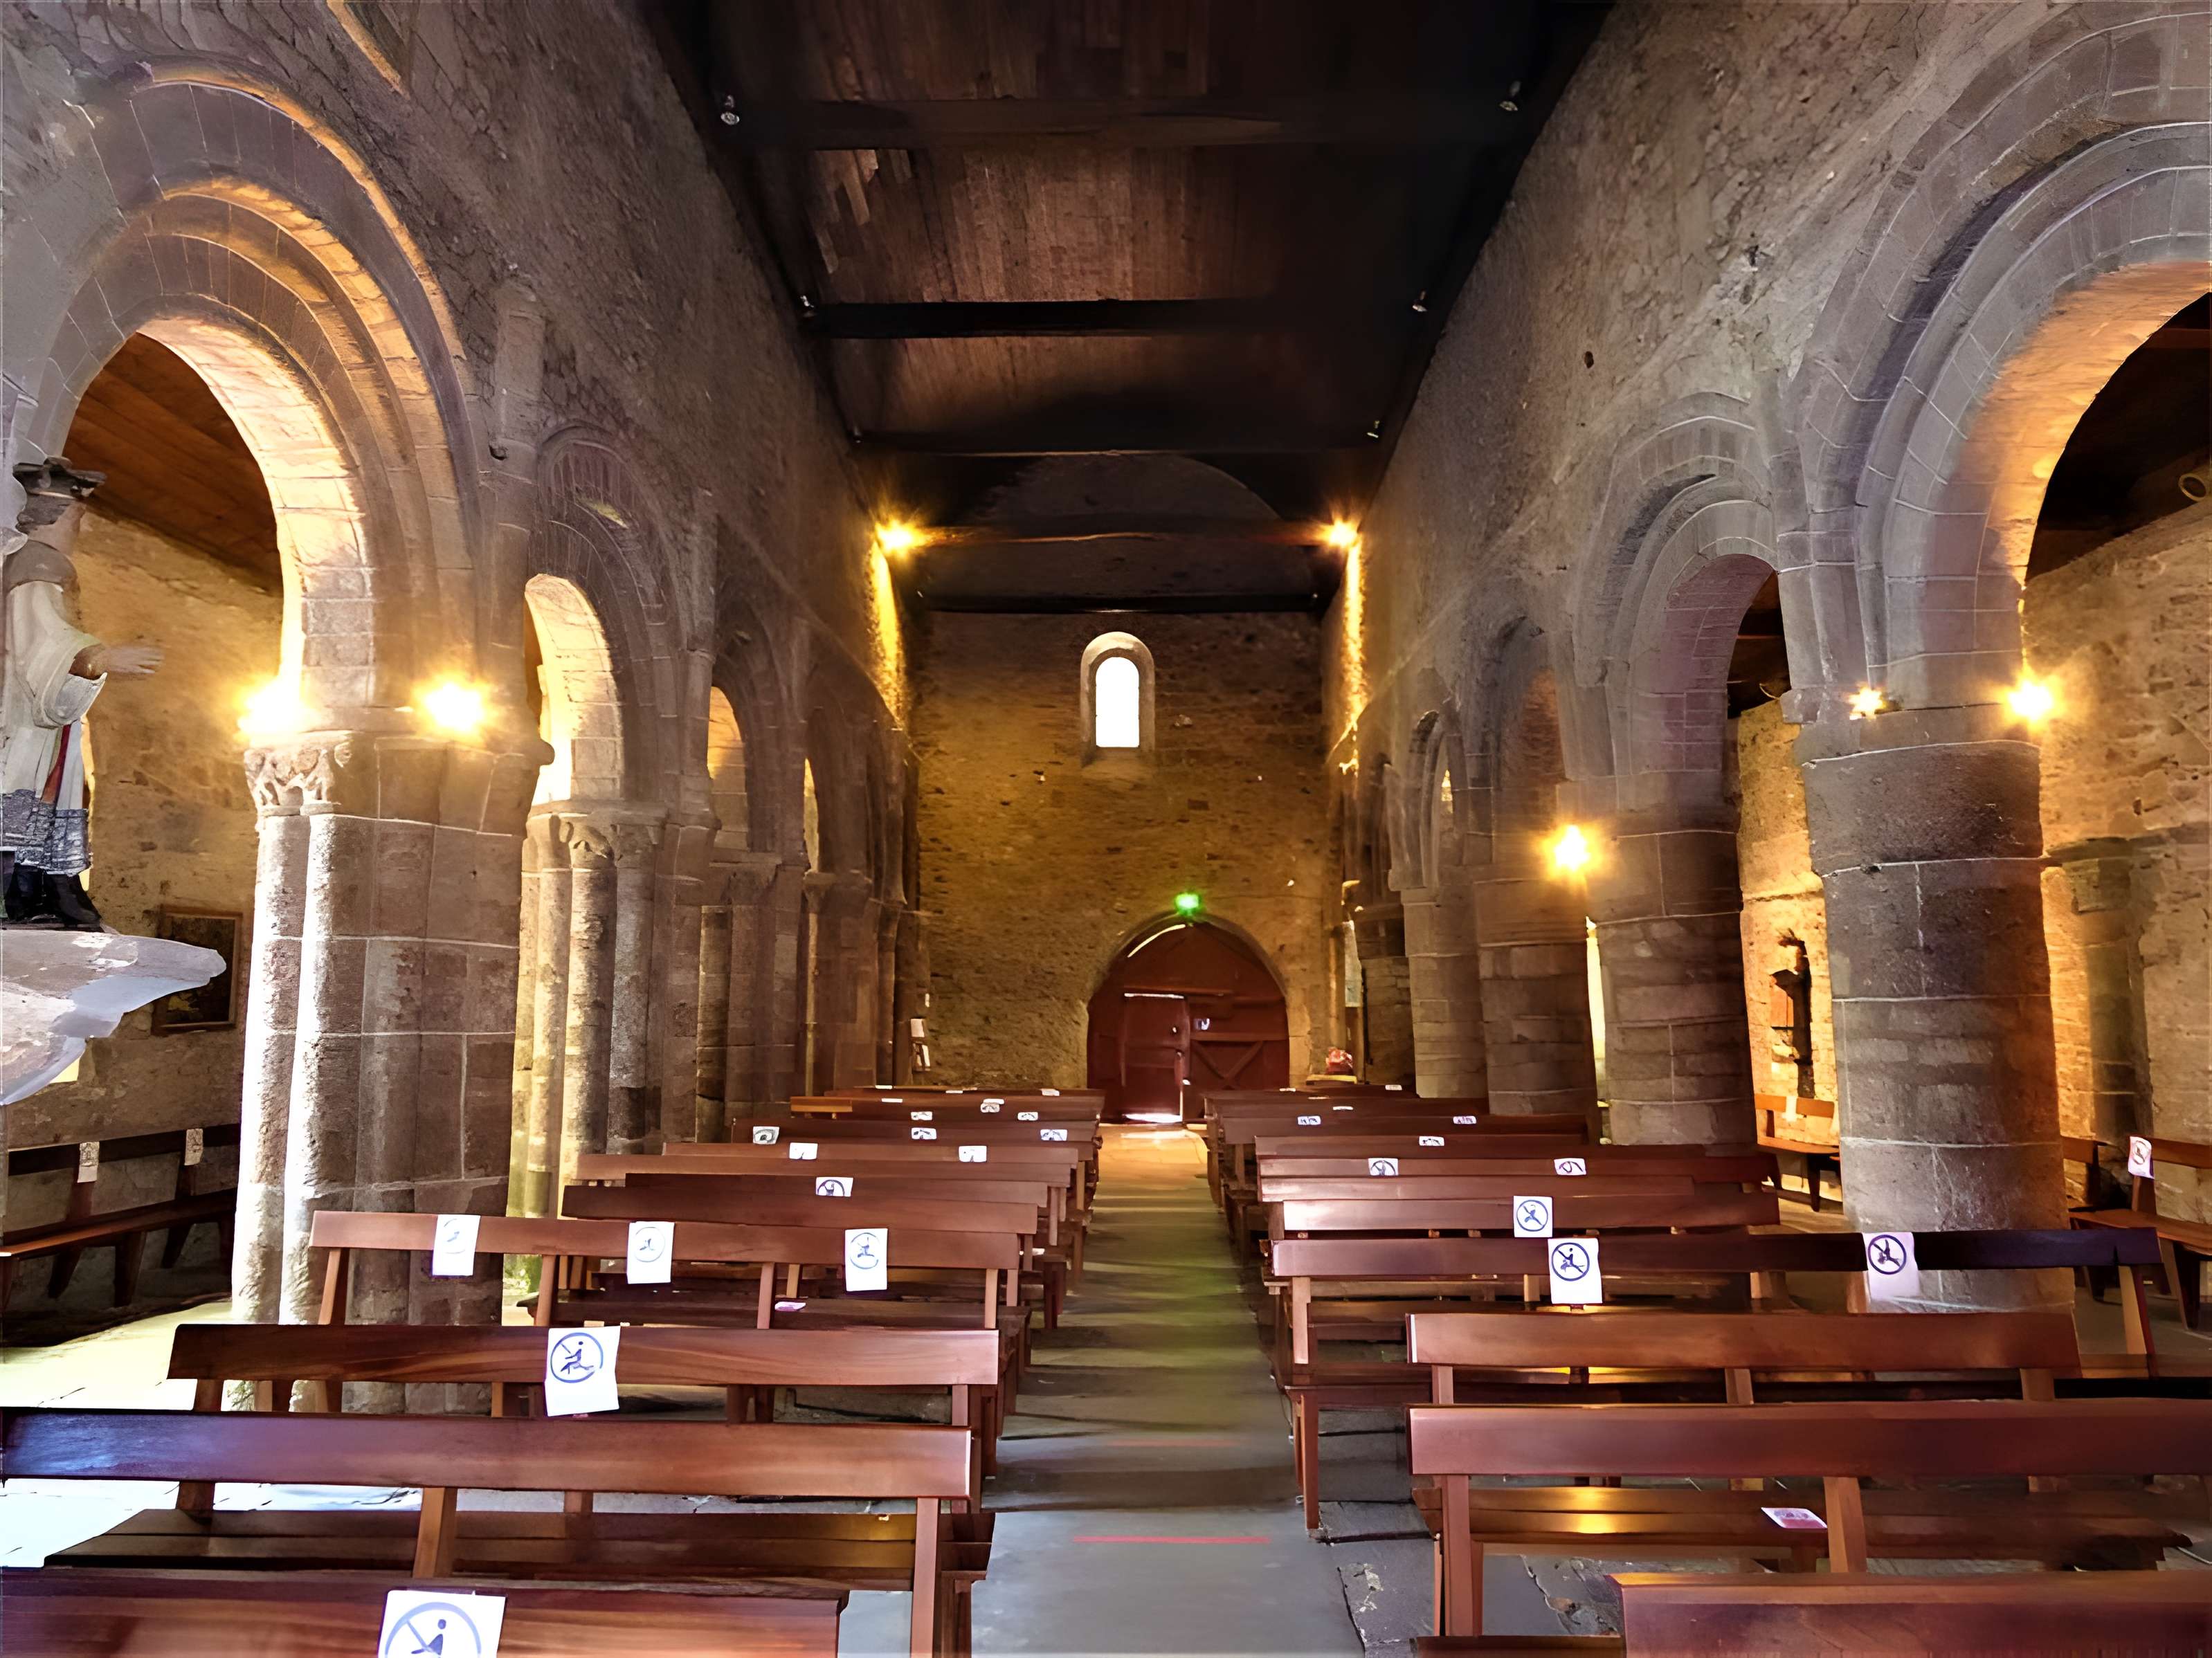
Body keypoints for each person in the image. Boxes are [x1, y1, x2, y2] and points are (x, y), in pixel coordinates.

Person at [1, 459, 162, 929]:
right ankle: (22, 898)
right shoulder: (38, 565)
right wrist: (100, 658)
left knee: (50, 790)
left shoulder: (48, 566)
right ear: (51, 518)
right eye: (76, 519)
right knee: (23, 787)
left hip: (39, 715)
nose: (81, 530)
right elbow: (37, 638)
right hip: (22, 711)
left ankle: (40, 895)